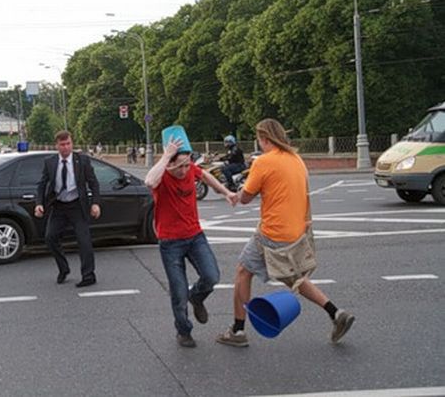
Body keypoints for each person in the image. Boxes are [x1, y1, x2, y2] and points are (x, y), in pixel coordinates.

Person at [216, 119, 355, 348]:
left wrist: (236, 194)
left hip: (271, 234)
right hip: (296, 231)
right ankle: (336, 312)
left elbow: (246, 197)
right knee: (296, 278)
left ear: (265, 139)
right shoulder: (296, 159)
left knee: (243, 271)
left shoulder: (264, 162)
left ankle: (238, 331)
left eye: (259, 139)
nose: (259, 143)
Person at [145, 138, 236, 348]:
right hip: (170, 242)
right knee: (178, 291)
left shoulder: (191, 170)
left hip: (195, 236)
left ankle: (196, 298)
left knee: (212, 275)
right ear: (169, 164)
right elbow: (149, 181)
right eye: (180, 166)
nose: (185, 170)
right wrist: (166, 156)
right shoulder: (161, 178)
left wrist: (227, 193)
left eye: (187, 164)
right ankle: (184, 331)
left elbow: (204, 175)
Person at [35, 130, 101, 288]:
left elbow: (94, 183)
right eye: (62, 144)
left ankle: (88, 275)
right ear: (56, 146)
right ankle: (63, 269)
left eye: (68, 144)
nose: (65, 147)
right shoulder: (50, 162)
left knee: (84, 240)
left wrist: (95, 203)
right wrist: (39, 203)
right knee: (50, 237)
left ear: (72, 144)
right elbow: (42, 184)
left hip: (77, 205)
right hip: (59, 206)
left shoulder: (82, 161)